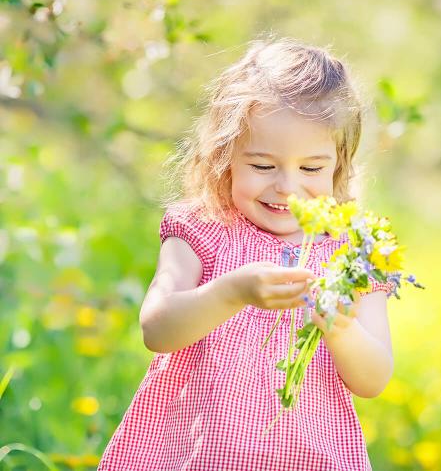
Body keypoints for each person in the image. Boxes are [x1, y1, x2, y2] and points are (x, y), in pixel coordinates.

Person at [98, 37, 396, 471]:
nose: (287, 187)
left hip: (307, 456)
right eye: (262, 165)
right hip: (199, 453)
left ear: (339, 165)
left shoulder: (352, 253)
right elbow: (156, 330)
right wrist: (230, 293)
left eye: (311, 168)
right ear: (226, 158)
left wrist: (340, 328)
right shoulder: (204, 227)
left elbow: (373, 379)